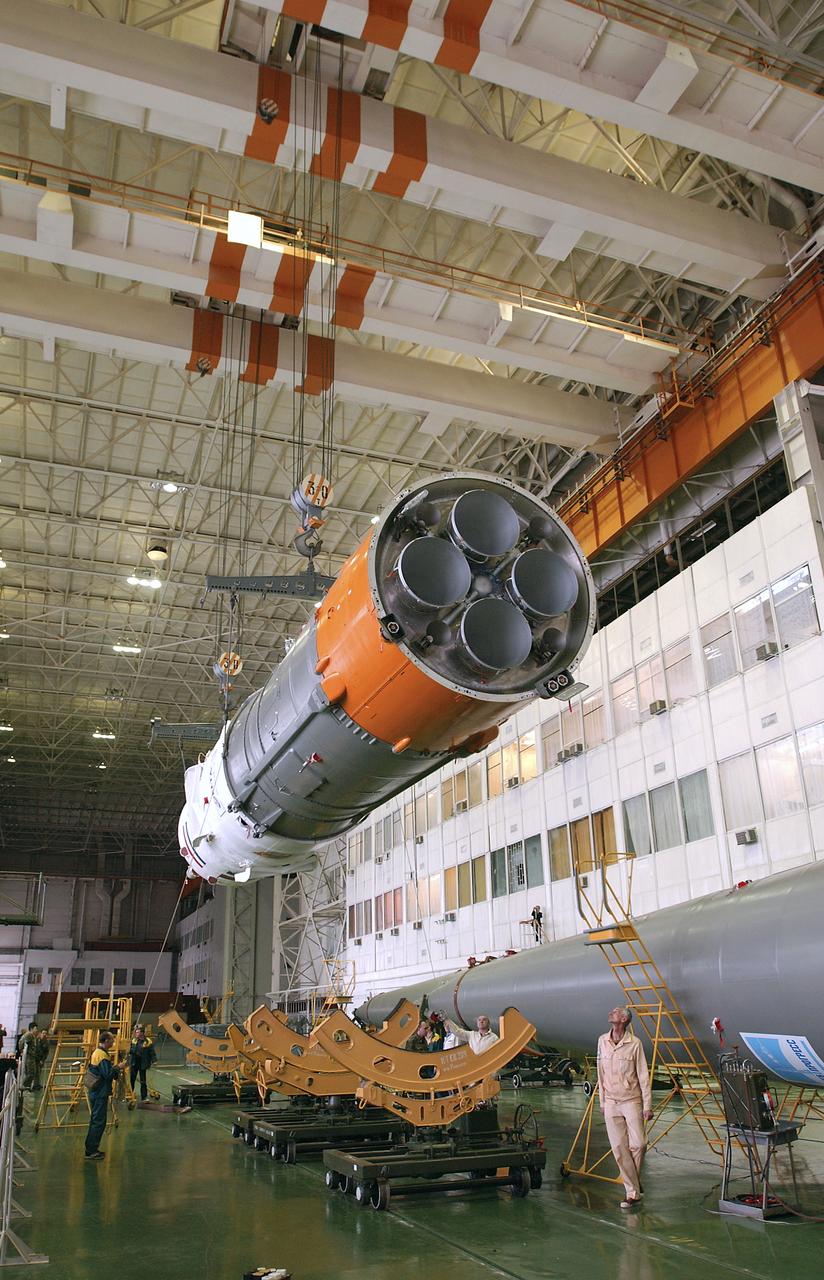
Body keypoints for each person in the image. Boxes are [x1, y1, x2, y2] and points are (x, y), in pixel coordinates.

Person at [597, 1006, 653, 1209]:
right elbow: (600, 1073)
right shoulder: (602, 1041)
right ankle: (632, 1192)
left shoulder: (634, 1044)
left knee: (639, 1144)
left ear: (623, 1019)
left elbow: (643, 1075)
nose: (611, 1012)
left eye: (615, 1012)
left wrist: (647, 1105)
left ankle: (633, 1184)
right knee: (619, 1149)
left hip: (631, 1100)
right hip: (611, 1102)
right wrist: (602, 1102)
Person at [84, 1031, 119, 1161]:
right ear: (106, 1041)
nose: (113, 1043)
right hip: (99, 1093)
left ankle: (92, 1148)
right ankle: (91, 1150)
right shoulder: (102, 1056)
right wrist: (118, 1068)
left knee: (96, 1120)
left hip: (96, 1092)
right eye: (111, 1041)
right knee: (98, 1122)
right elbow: (107, 1075)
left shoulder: (97, 1053)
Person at [127, 1024, 156, 1101]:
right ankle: (130, 1095)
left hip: (143, 1063)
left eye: (138, 1032)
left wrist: (154, 1060)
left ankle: (144, 1097)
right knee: (132, 1079)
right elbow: (129, 1050)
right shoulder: (133, 1041)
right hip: (134, 1063)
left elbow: (152, 1052)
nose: (137, 1034)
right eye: (136, 1032)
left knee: (143, 1081)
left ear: (142, 1033)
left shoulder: (148, 1042)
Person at [21, 1022, 38, 1089]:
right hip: (29, 1057)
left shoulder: (32, 1036)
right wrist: (21, 1050)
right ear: (31, 1028)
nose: (36, 1030)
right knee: (31, 1073)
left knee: (32, 1072)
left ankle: (26, 1086)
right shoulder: (29, 1035)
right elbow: (21, 1042)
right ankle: (24, 1086)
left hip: (32, 1056)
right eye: (35, 1028)